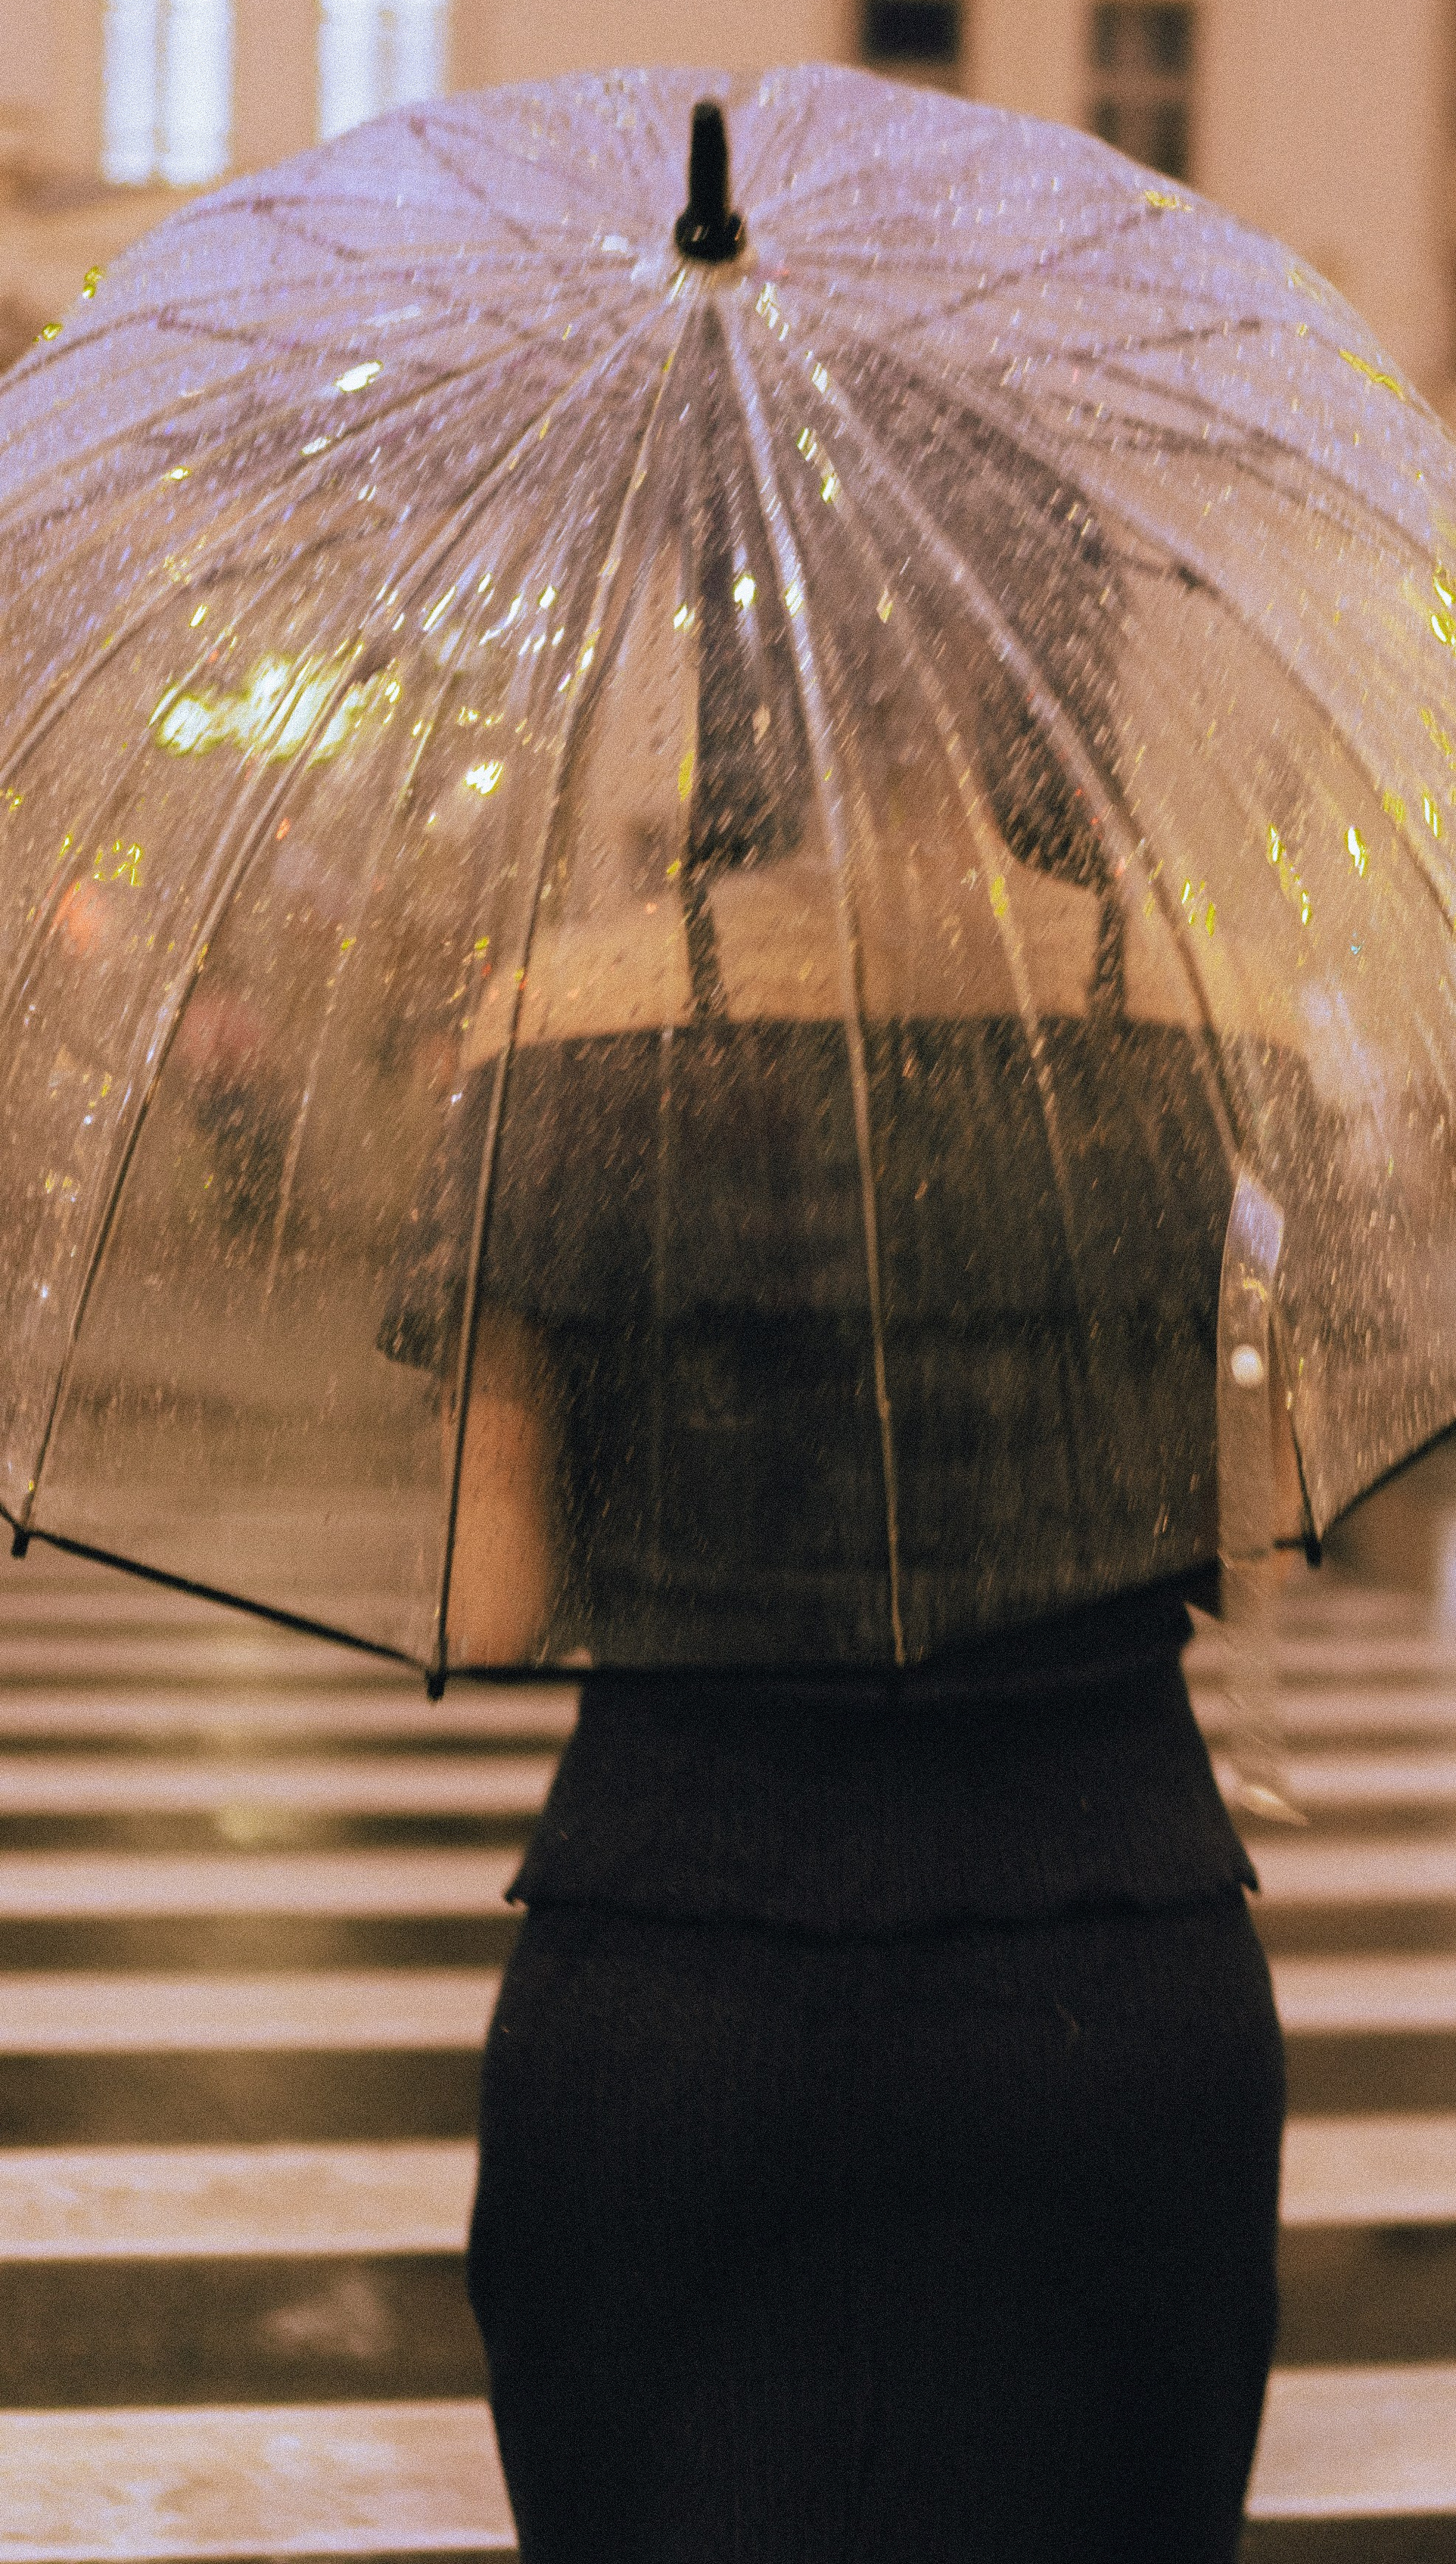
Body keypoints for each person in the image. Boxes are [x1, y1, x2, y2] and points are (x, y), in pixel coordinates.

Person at [384, 364, 1287, 2560]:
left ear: (742, 667)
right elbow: (1254, 1532)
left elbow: (490, 1599)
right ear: (1052, 664)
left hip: (684, 1959)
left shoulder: (562, 1027)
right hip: (1108, 1953)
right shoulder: (1214, 1017)